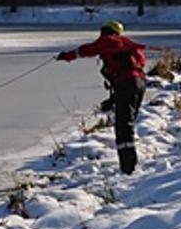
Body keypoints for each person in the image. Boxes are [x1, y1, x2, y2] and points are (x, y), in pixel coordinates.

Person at [56, 20, 148, 174]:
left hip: (127, 84)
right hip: (139, 84)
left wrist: (68, 56)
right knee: (127, 124)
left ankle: (128, 169)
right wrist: (113, 100)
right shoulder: (126, 44)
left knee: (123, 127)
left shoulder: (109, 40)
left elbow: (89, 49)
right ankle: (129, 165)